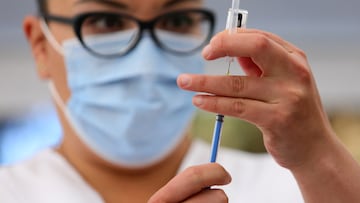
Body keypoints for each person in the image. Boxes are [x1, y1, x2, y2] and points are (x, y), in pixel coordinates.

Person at [1, 0, 360, 202]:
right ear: (39, 47)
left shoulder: (295, 188)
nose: (144, 60)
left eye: (177, 20)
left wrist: (318, 156)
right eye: (107, 21)